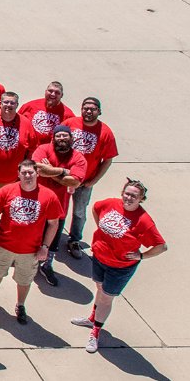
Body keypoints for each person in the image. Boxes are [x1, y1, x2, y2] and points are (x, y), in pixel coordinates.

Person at [71, 180, 166, 353]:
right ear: (122, 192)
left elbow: (161, 246)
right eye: (127, 193)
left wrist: (142, 255)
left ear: (141, 199)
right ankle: (92, 318)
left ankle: (95, 332)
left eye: (134, 196)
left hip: (120, 267)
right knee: (99, 290)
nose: (129, 198)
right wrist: (102, 233)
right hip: (99, 258)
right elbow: (95, 209)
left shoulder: (143, 221)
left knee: (106, 298)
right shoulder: (109, 203)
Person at [0, 161, 62, 325]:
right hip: (3, 245)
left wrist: (45, 247)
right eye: (24, 173)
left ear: (37, 173)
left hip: (30, 250)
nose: (27, 176)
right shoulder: (7, 190)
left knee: (24, 280)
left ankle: (20, 305)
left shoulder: (49, 196)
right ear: (18, 174)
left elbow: (54, 223)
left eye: (30, 172)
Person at [61, 97, 118, 259]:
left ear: (99, 111)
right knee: (59, 211)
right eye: (85, 107)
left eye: (92, 108)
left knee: (79, 212)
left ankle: (74, 240)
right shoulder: (70, 124)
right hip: (65, 178)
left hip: (84, 182)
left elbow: (108, 160)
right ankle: (53, 237)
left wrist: (94, 181)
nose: (88, 111)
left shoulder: (105, 132)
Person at [32, 125, 87, 285]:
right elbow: (37, 168)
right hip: (36, 203)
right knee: (31, 236)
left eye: (65, 136)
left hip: (59, 208)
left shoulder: (78, 158)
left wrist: (53, 170)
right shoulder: (43, 149)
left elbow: (75, 181)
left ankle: (46, 265)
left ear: (71, 139)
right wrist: (64, 172)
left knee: (52, 242)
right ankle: (28, 263)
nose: (61, 139)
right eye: (58, 136)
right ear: (53, 138)